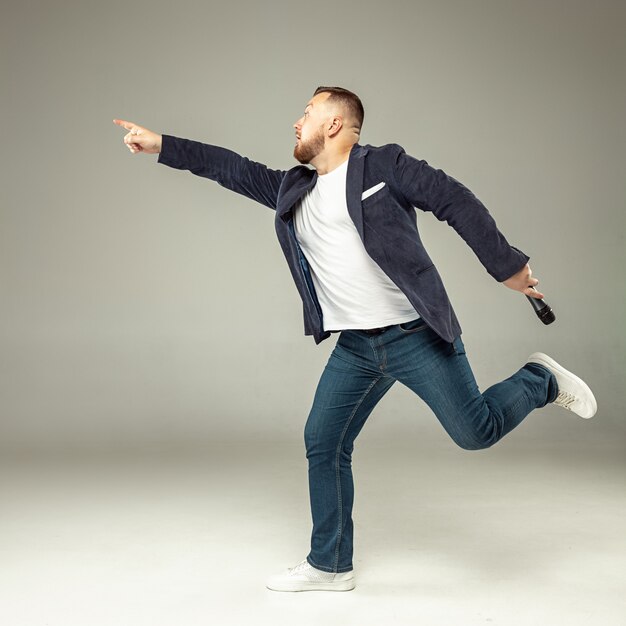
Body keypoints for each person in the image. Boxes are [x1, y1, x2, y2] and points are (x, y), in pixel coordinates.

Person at [114, 86, 597, 593]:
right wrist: (161, 144)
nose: (296, 122)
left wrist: (507, 266)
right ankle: (330, 565)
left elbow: (453, 199)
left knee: (475, 432)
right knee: (323, 442)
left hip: (416, 336)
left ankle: (539, 379)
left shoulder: (384, 167)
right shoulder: (291, 189)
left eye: (307, 112)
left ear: (336, 125)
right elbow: (229, 166)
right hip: (357, 348)